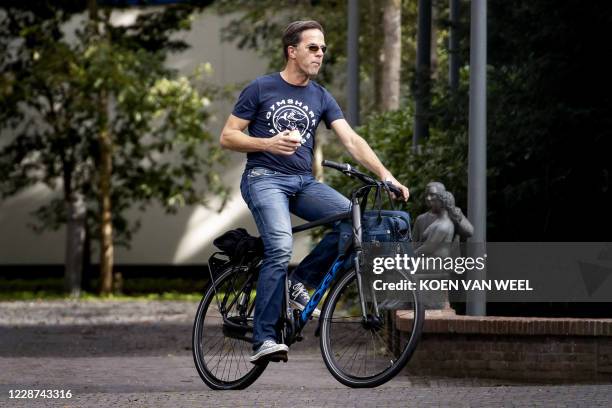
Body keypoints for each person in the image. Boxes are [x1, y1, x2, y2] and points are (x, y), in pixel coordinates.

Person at [220, 20, 409, 364]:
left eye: (322, 48)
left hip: (303, 183)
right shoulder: (261, 88)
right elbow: (228, 136)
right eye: (312, 48)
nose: (320, 54)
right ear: (292, 52)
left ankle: (300, 282)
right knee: (279, 246)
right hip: (264, 178)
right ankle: (264, 338)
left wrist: (386, 175)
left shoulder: (320, 95)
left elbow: (351, 139)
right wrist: (269, 142)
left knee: (354, 224)